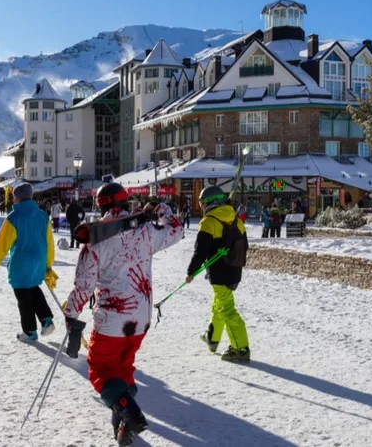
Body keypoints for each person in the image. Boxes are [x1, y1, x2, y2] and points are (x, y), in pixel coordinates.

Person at [63, 183, 183, 445]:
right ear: (125, 202)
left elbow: (83, 287)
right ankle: (122, 425)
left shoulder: (96, 241)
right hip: (141, 318)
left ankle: (129, 414)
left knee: (100, 370)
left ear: (100, 205)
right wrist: (160, 208)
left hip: (111, 320)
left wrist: (70, 313)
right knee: (123, 368)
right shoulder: (146, 232)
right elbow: (176, 229)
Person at [186, 185, 250, 363]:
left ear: (208, 203)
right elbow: (244, 245)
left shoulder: (209, 222)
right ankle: (212, 337)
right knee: (219, 304)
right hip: (235, 269)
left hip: (219, 272)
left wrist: (191, 272)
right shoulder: (236, 220)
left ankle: (241, 348)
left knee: (227, 309)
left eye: (201, 203)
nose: (200, 207)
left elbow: (200, 251)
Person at [0, 183, 59, 342]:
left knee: (23, 297)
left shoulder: (14, 217)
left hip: (21, 262)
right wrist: (48, 263)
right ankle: (46, 319)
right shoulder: (42, 216)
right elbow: (49, 242)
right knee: (34, 289)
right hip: (39, 262)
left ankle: (30, 332)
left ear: (18, 198)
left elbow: (3, 243)